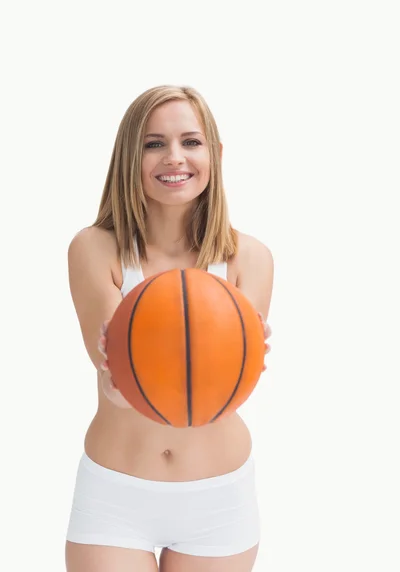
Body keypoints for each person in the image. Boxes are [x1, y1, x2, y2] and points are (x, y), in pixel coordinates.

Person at [65, 85, 274, 572]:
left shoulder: (250, 257)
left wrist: (237, 362)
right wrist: (119, 382)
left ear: (215, 154)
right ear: (128, 157)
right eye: (153, 143)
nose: (174, 157)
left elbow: (222, 391)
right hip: (117, 494)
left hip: (218, 498)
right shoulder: (95, 248)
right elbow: (113, 376)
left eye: (191, 142)